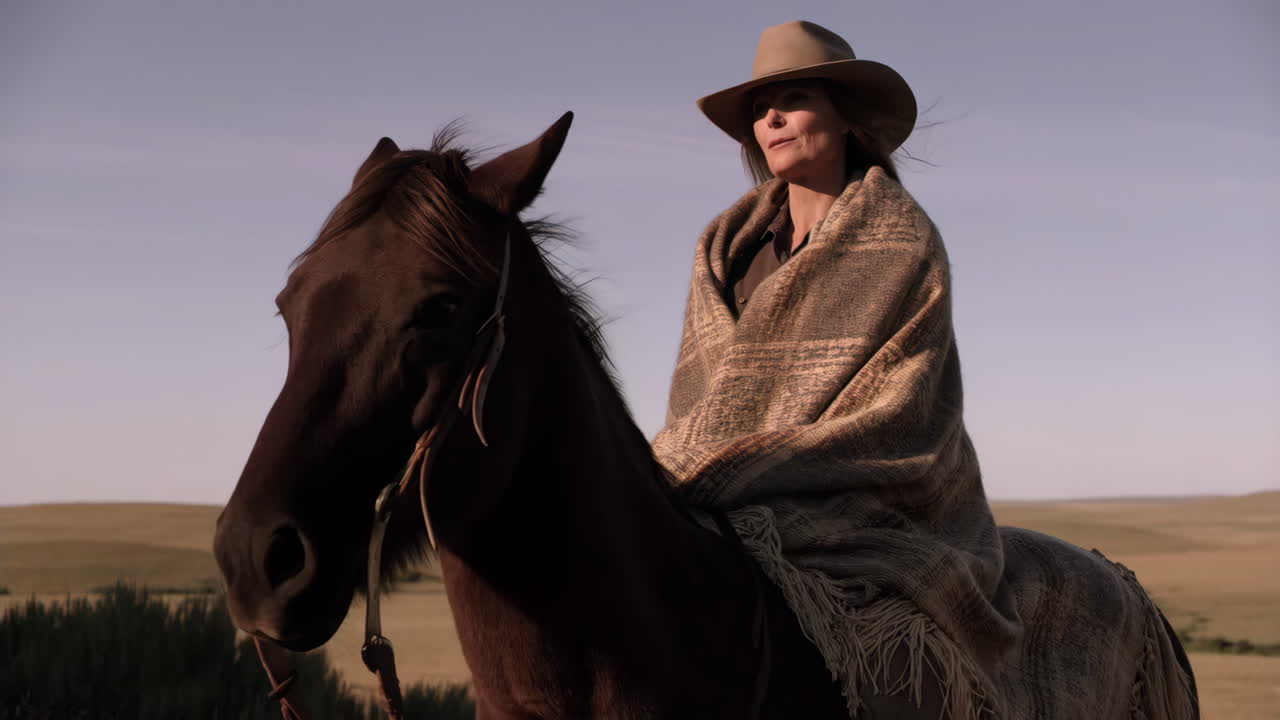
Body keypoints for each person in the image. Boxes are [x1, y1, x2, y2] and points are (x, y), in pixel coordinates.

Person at [653, 20, 1199, 719]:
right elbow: (705, 400)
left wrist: (724, 466)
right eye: (760, 110)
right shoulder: (724, 250)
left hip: (871, 502)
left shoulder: (898, 238)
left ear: (846, 116)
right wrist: (693, 465)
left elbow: (893, 412)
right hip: (715, 491)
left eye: (793, 98)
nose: (772, 119)